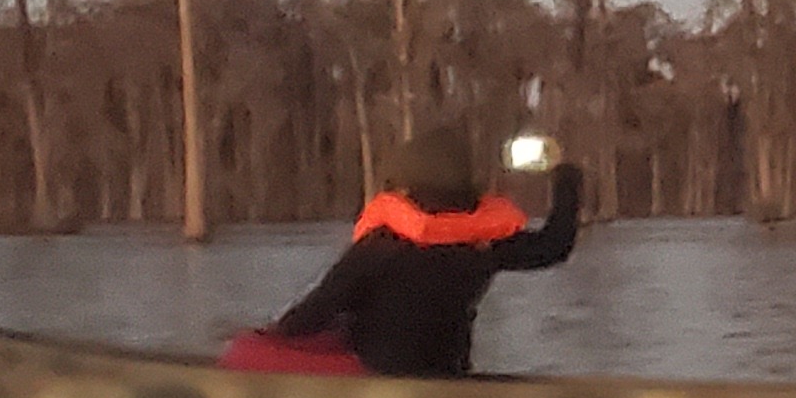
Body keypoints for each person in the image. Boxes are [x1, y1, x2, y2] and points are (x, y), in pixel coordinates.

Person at [250, 124, 586, 377]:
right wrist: (566, 181)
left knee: (252, 350)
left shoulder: (382, 242)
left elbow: (318, 309)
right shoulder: (484, 242)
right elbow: (554, 246)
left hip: (382, 377)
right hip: (448, 370)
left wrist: (274, 334)